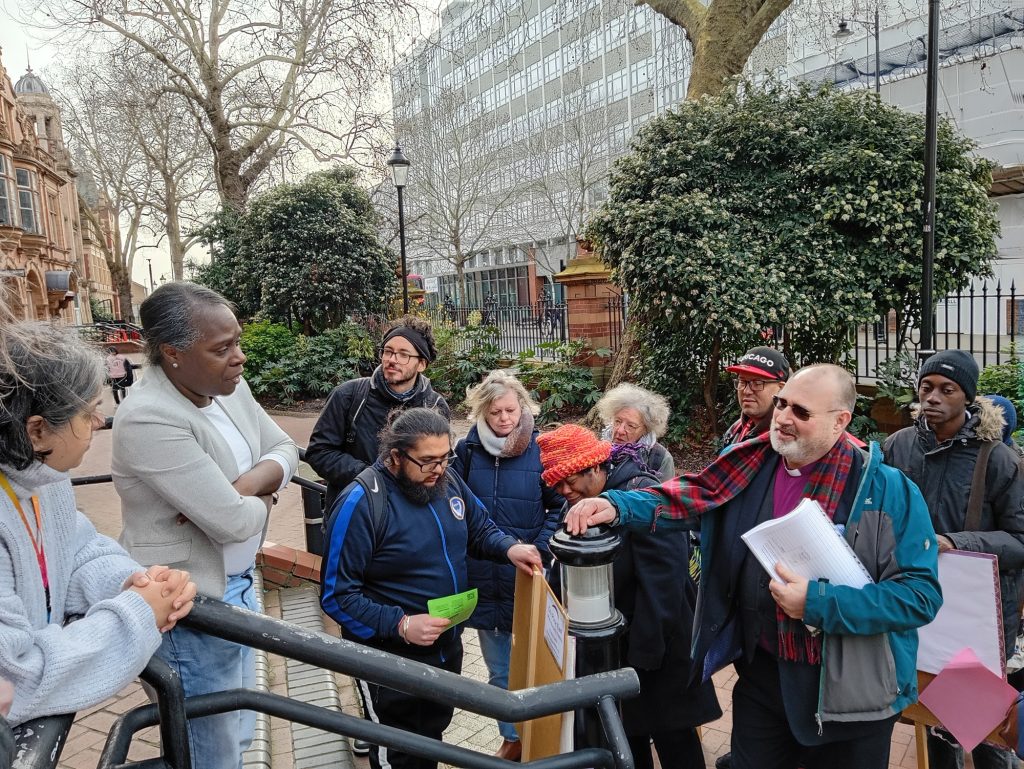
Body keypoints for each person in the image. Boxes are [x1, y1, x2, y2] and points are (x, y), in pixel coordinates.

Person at [564, 364, 942, 769]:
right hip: (764, 677)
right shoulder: (749, 463)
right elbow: (692, 494)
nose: (782, 417)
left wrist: (818, 603)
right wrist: (617, 505)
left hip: (851, 696)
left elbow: (920, 597)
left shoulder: (888, 491)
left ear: (840, 422)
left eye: (801, 411)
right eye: (781, 404)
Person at [112, 282, 299, 769]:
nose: (238, 357)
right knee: (209, 753)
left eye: (236, 341)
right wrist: (258, 497)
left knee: (237, 734)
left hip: (238, 589)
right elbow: (233, 525)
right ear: (172, 353)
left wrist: (241, 488)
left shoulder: (229, 390)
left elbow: (286, 449)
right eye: (221, 348)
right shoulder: (147, 418)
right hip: (189, 613)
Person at [320, 408, 542, 769]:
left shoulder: (446, 480)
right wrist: (401, 625)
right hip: (387, 661)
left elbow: (479, 528)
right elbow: (336, 595)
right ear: (395, 456)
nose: (438, 469)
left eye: (444, 458)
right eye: (427, 461)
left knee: (431, 740)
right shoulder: (361, 502)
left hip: (444, 647)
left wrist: (509, 547)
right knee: (400, 753)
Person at [0, 318, 195, 728]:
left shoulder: (41, 477)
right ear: (36, 431)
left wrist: (130, 582)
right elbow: (16, 675)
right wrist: (139, 614)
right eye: (87, 414)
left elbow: (76, 549)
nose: (99, 423)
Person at [538, 424, 720, 769]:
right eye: (556, 484)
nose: (564, 491)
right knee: (626, 735)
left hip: (656, 647)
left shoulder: (642, 494)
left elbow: (664, 584)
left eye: (569, 480)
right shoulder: (582, 498)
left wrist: (643, 658)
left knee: (673, 738)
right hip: (619, 644)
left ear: (595, 467)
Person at [883, 350, 1024, 769]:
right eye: (927, 387)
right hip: (911, 604)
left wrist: (954, 541)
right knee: (926, 715)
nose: (934, 397)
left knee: (978, 725)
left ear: (969, 398)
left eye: (948, 389)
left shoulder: (997, 459)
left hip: (972, 618)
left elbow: (1020, 540)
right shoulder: (897, 446)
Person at [453, 371, 562, 761]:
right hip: (483, 574)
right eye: (495, 411)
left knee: (539, 663)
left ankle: (546, 737)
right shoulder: (466, 451)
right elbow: (456, 507)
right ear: (483, 411)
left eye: (511, 410)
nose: (504, 418)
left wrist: (540, 546)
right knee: (499, 668)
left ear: (523, 408)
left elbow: (559, 504)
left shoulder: (540, 449)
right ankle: (512, 737)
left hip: (528, 574)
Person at [306, 315, 451, 509]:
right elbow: (319, 452)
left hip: (409, 516)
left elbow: (442, 464)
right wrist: (371, 477)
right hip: (355, 511)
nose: (392, 359)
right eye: (388, 351)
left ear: (422, 364)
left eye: (403, 354)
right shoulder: (349, 396)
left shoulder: (435, 406)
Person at [596, 383, 675, 481]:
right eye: (617, 421)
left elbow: (662, 495)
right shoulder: (597, 447)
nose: (620, 431)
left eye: (631, 426)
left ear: (646, 430)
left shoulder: (660, 458)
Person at [722, 346, 791, 446]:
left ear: (781, 388)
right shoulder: (735, 430)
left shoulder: (786, 443)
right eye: (742, 381)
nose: (746, 391)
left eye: (757, 383)